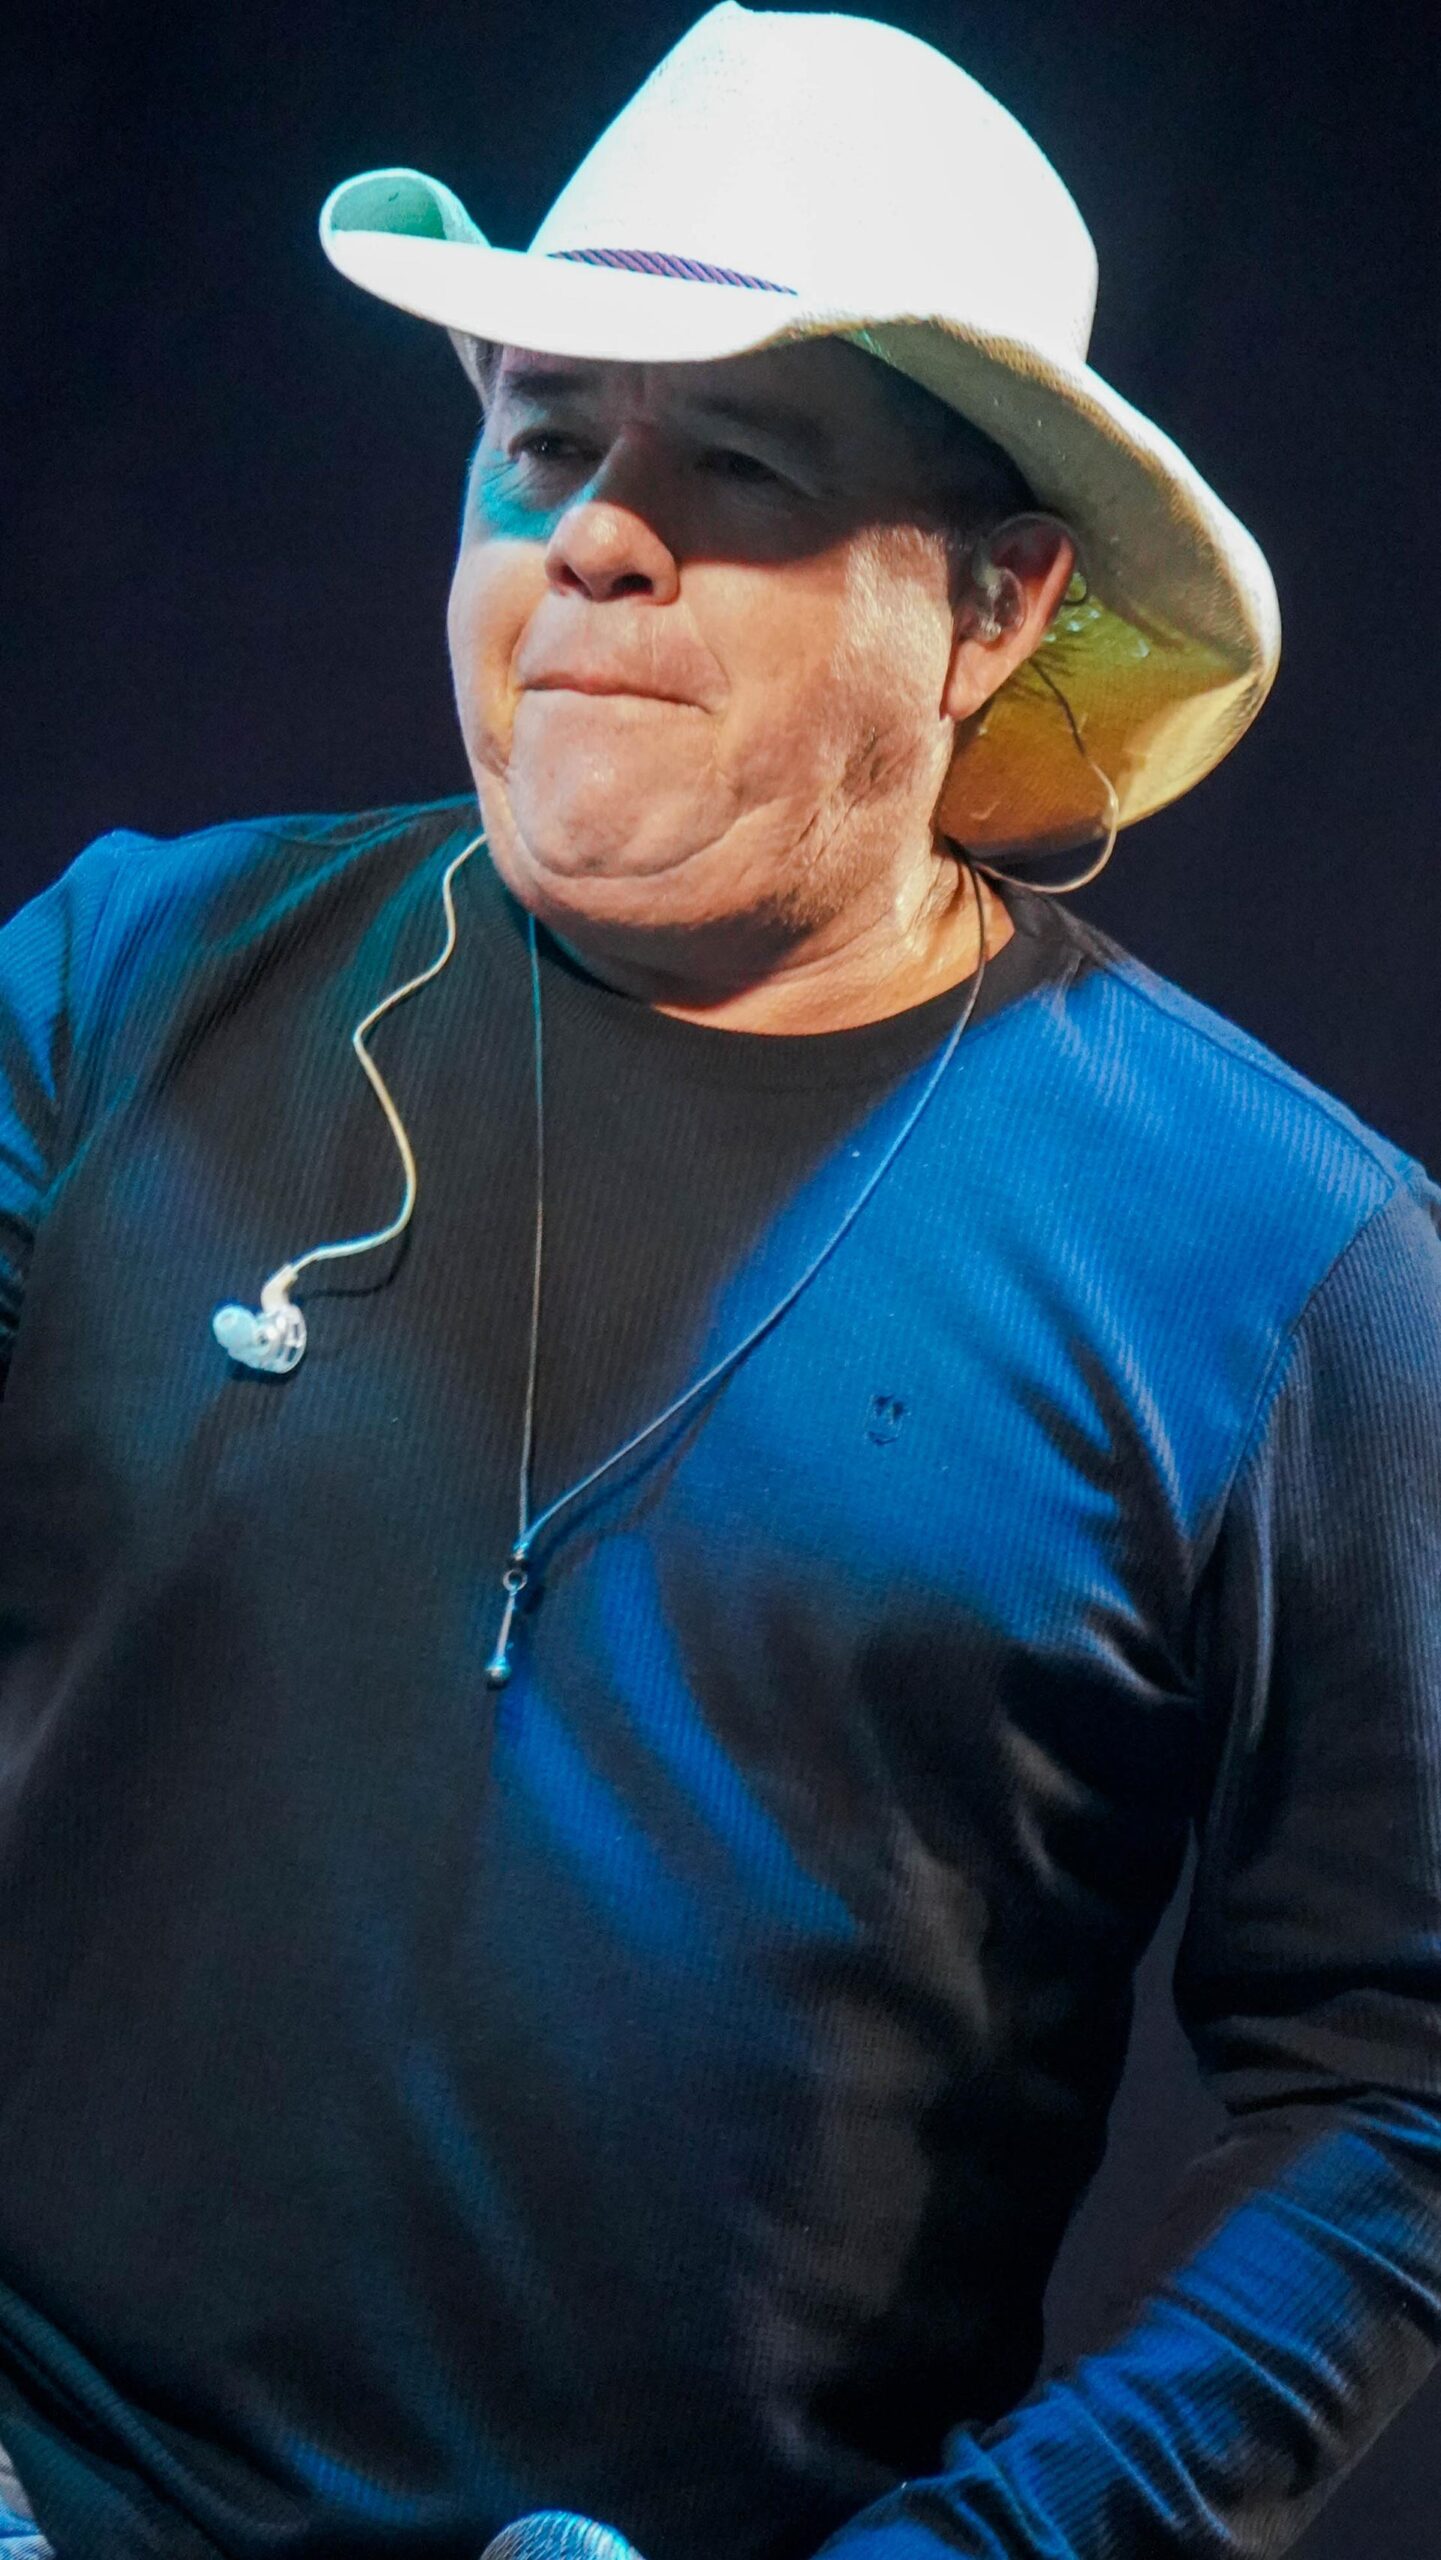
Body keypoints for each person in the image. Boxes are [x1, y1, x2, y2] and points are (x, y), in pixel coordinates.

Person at [0, 5, 1438, 2555]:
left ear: (992, 605)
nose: (591, 541)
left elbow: (1398, 2082)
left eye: (736, 467)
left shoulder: (1289, 1267)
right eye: (540, 443)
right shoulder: (122, 979)